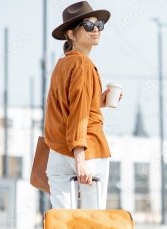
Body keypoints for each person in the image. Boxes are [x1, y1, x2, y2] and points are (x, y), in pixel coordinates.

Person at [44, 1, 121, 209]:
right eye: (88, 25)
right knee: (92, 221)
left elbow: (66, 107)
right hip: (88, 151)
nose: (95, 29)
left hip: (57, 152)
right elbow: (78, 113)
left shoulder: (62, 64)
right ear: (71, 34)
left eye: (99, 25)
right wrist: (80, 159)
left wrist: (99, 101)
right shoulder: (84, 64)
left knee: (62, 223)